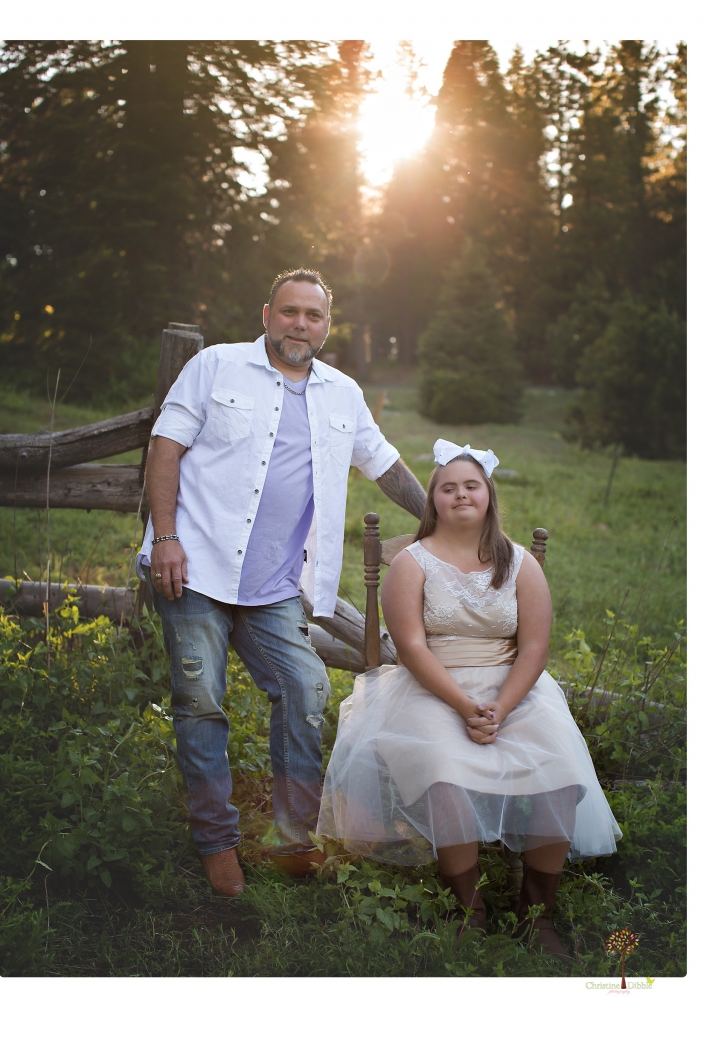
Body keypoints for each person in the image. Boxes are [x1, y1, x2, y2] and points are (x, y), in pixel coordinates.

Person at [137, 268, 426, 898]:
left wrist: (441, 515)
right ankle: (217, 842)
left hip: (273, 587)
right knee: (201, 702)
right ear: (267, 314)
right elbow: (165, 447)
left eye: (314, 316)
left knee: (305, 686)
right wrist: (164, 537)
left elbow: (384, 466)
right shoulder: (217, 367)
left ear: (327, 326)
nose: (301, 324)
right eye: (290, 312)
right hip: (196, 569)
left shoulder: (342, 395)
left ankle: (293, 835)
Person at [318, 439, 622, 958]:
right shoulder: (410, 564)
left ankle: (536, 912)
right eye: (448, 487)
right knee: (443, 772)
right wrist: (464, 707)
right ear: (433, 499)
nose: (460, 494)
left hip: (514, 687)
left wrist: (500, 707)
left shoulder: (521, 564)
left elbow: (534, 648)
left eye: (471, 486)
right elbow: (411, 648)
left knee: (560, 766)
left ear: (489, 495)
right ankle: (469, 908)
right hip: (432, 686)